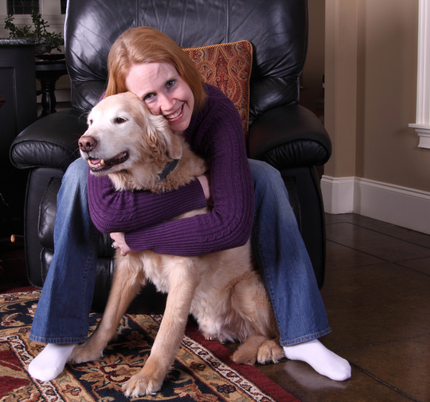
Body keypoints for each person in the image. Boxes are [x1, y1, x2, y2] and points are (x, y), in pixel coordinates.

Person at [28, 27, 351, 383]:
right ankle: (61, 335)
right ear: (128, 98)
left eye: (170, 84)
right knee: (76, 174)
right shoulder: (112, 111)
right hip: (155, 175)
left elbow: (231, 225)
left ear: (185, 71)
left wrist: (136, 239)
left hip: (209, 178)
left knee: (267, 177)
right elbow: (106, 215)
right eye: (148, 96)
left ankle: (301, 333)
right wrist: (199, 191)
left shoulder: (217, 111)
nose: (167, 104)